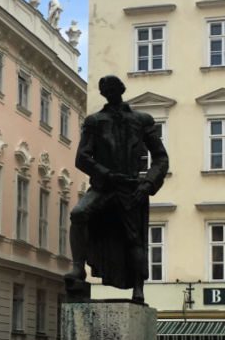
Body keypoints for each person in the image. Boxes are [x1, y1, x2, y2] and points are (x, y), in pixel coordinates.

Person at [65, 75, 169, 303]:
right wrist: (104, 173)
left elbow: (161, 158)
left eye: (113, 88)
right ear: (103, 93)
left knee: (134, 238)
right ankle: (78, 268)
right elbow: (82, 157)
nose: (110, 92)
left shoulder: (142, 120)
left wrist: (148, 183)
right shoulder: (95, 121)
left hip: (132, 187)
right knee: (79, 214)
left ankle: (138, 288)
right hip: (104, 186)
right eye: (105, 89)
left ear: (120, 90)